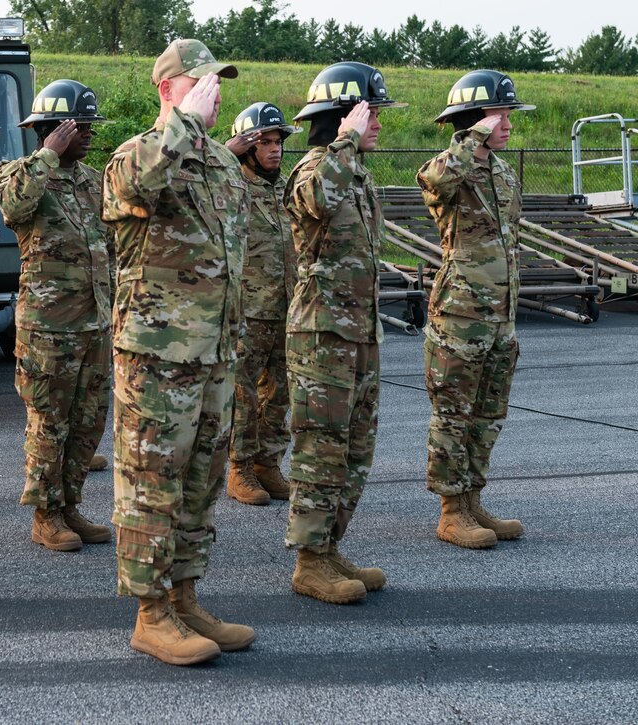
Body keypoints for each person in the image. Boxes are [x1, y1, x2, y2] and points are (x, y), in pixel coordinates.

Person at [102, 39, 255, 666]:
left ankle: (186, 596)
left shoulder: (221, 163)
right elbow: (139, 185)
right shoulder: (135, 156)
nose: (217, 91)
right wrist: (185, 122)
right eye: (203, 82)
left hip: (215, 353)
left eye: (219, 81)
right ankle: (151, 613)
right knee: (151, 484)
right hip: (159, 357)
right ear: (169, 88)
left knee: (200, 481)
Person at [282, 62, 406, 604]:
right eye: (368, 113)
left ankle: (330, 547)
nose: (377, 123)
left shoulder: (354, 173)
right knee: (321, 450)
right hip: (321, 337)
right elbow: (315, 199)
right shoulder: (315, 168)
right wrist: (346, 141)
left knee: (356, 448)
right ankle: (309, 562)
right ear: (341, 117)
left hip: (358, 333)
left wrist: (350, 148)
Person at [0, 80, 114, 552]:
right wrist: (46, 154)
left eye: (88, 126)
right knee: (49, 422)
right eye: (77, 126)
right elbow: (12, 208)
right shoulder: (18, 173)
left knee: (88, 422)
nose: (87, 134)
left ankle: (70, 505)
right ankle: (46, 515)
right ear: (50, 129)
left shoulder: (92, 179)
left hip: (94, 322)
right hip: (49, 326)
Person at [417, 70, 533, 549]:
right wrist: (471, 139)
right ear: (472, 121)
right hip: (461, 313)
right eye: (499, 114)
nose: (508, 123)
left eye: (508, 114)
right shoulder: (448, 167)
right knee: (454, 412)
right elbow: (435, 181)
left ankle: (472, 499)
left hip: (500, 314)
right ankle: (450, 511)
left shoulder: (502, 172)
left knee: (488, 412)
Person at [223, 102, 302, 506]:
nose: (275, 150)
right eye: (265, 143)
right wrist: (226, 152)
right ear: (246, 148)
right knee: (243, 394)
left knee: (280, 392)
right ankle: (240, 469)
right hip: (247, 311)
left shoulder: (286, 188)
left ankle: (269, 464)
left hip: (286, 306)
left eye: (278, 142)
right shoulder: (230, 185)